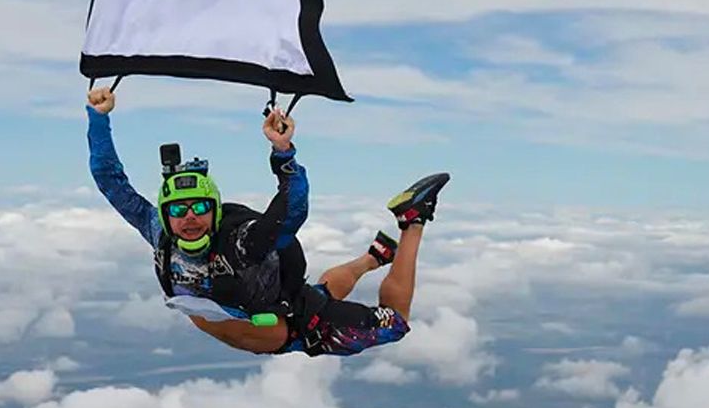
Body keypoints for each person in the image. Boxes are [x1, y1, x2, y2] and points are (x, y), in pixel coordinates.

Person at [86, 85, 447, 357]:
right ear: (165, 215)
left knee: (395, 321)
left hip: (301, 327)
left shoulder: (241, 242)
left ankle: (412, 220)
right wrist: (98, 118)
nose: (190, 217)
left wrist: (283, 152)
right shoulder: (158, 232)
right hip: (278, 311)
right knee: (321, 291)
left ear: (215, 210)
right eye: (179, 210)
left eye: (200, 208)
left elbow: (291, 212)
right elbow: (110, 180)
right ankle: (373, 257)